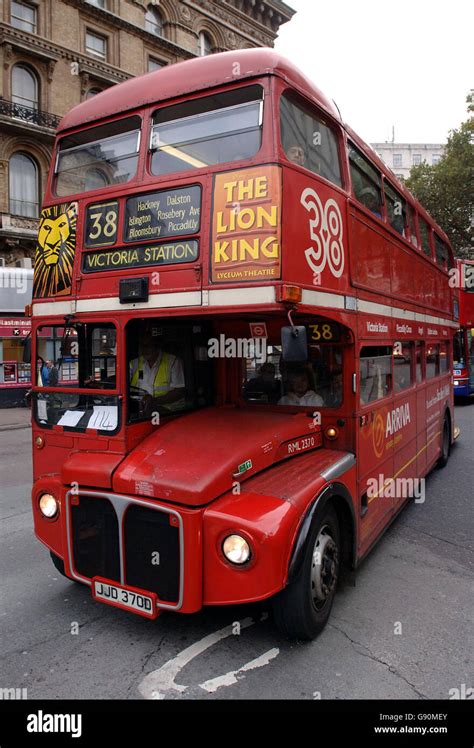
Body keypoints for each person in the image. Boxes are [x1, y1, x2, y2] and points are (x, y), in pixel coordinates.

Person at [129, 327, 185, 413]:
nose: (144, 349)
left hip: (167, 410)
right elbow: (122, 380)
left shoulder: (173, 362)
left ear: (156, 346)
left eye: (148, 345)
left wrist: (155, 401)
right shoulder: (134, 363)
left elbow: (179, 392)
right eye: (142, 346)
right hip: (139, 409)